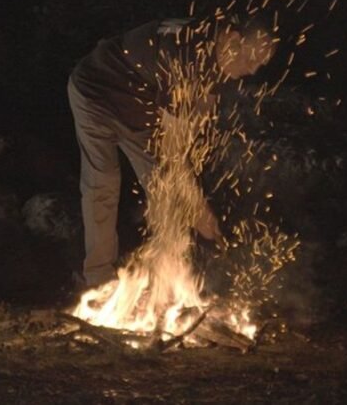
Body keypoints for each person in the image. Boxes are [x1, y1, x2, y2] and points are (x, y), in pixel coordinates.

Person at [68, 17, 277, 287]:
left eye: (259, 65)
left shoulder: (217, 55)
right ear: (234, 40)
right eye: (251, 59)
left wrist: (191, 202)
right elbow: (173, 154)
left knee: (166, 189)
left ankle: (164, 279)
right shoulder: (187, 58)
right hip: (96, 91)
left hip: (140, 111)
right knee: (103, 183)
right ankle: (98, 278)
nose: (251, 70)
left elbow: (182, 147)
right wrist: (198, 208)